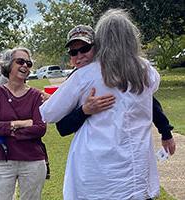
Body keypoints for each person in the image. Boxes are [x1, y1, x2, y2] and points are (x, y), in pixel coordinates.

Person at [40, 9, 162, 199]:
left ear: (100, 42)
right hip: (137, 167)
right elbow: (152, 90)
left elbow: (48, 113)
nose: (79, 55)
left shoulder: (86, 76)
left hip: (98, 172)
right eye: (74, 52)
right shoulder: (146, 70)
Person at [56, 25, 176, 155]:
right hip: (93, 155)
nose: (79, 56)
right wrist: (85, 110)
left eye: (85, 49)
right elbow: (62, 127)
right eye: (73, 52)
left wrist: (166, 133)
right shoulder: (72, 82)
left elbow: (147, 100)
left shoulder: (118, 72)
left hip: (126, 149)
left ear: (97, 49)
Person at [0, 47, 47, 200]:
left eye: (28, 63)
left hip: (33, 161)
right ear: (8, 65)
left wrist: (5, 129)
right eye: (20, 61)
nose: (25, 65)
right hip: (1, 160)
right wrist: (19, 123)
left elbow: (39, 128)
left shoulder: (36, 96)